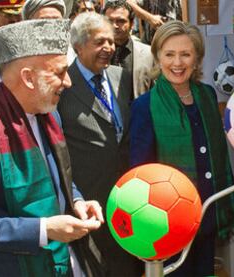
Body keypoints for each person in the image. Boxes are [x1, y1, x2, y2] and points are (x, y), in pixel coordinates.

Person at [0, 19, 105, 276]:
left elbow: (58, 175)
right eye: (59, 72)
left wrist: (75, 200)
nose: (68, 83)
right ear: (28, 78)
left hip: (65, 262)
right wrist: (43, 230)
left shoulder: (49, 115)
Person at [130, 20, 234, 276]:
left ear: (197, 59)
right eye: (169, 54)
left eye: (185, 54)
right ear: (157, 57)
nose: (177, 63)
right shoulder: (145, 106)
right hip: (168, 223)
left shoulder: (208, 96)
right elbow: (140, 173)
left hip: (208, 214)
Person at [57, 12, 143, 276]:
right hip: (90, 199)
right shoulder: (63, 85)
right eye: (99, 42)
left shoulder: (121, 77)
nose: (108, 48)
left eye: (111, 42)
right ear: (78, 46)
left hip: (129, 194)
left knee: (131, 262)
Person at [103, 0, 153, 100]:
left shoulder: (149, 54)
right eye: (110, 21)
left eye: (121, 21)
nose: (114, 26)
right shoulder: (96, 54)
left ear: (131, 24)